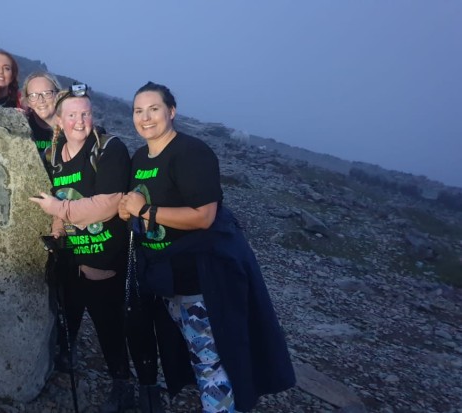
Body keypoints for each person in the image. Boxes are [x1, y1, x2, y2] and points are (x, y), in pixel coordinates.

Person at [118, 82, 295, 413]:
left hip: (199, 278)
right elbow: (137, 205)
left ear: (172, 111)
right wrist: (128, 210)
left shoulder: (191, 153)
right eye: (138, 111)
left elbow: (204, 216)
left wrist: (145, 210)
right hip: (166, 277)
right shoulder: (140, 157)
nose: (145, 117)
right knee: (198, 354)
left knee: (210, 360)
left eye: (154, 109)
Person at [30, 84, 160, 413]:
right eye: (72, 115)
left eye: (86, 113)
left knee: (110, 323)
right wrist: (57, 229)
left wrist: (60, 211)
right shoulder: (52, 157)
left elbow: (109, 203)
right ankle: (68, 360)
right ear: (59, 120)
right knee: (70, 312)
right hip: (71, 255)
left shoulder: (108, 148)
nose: (80, 121)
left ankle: (127, 386)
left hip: (106, 255)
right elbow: (56, 199)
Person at [20, 70, 62, 155]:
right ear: (28, 102)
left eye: (47, 93)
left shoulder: (71, 125)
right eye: (33, 95)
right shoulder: (22, 127)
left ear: (58, 96)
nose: (41, 100)